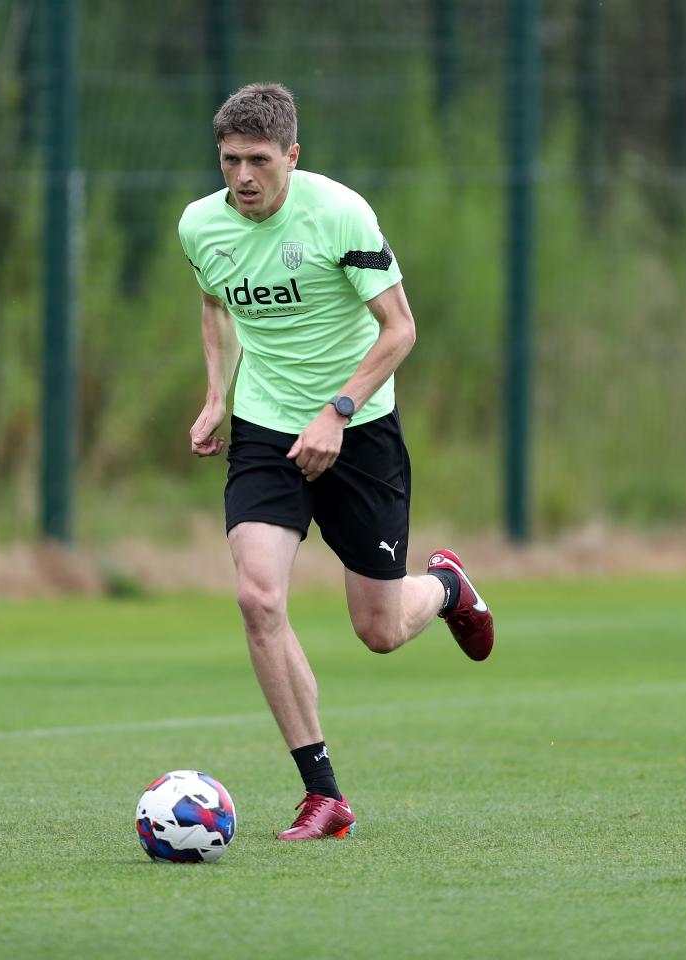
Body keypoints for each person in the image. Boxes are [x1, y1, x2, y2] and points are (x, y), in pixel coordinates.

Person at [179, 82, 494, 841]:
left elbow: (400, 329)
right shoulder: (200, 225)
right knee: (258, 598)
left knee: (378, 629)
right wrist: (218, 395)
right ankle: (323, 795)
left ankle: (446, 587)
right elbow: (216, 305)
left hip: (360, 431)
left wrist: (338, 411)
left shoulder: (340, 214)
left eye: (259, 160)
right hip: (265, 432)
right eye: (230, 161)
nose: (243, 177)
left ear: (292, 155)